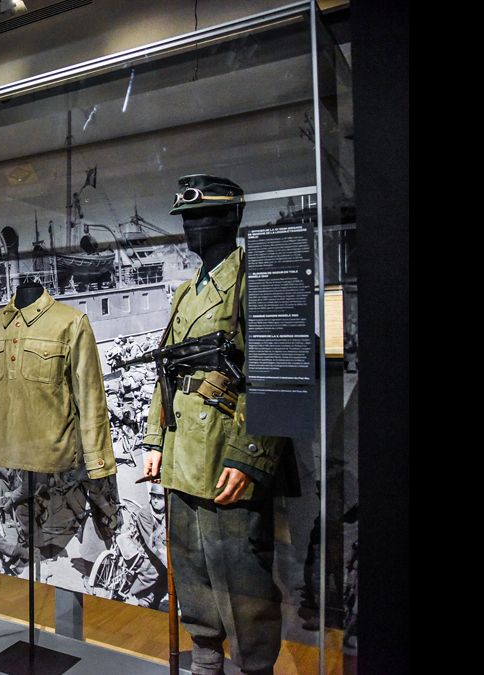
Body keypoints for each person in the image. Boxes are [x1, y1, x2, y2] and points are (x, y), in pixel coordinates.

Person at [140, 175, 287, 675]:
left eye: (204, 216)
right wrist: (155, 440)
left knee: (242, 577)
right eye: (187, 218)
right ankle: (205, 656)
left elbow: (277, 369)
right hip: (183, 453)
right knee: (193, 569)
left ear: (232, 218)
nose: (193, 227)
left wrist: (249, 455)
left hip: (226, 454)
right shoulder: (186, 292)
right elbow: (166, 370)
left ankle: (253, 666)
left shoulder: (254, 278)